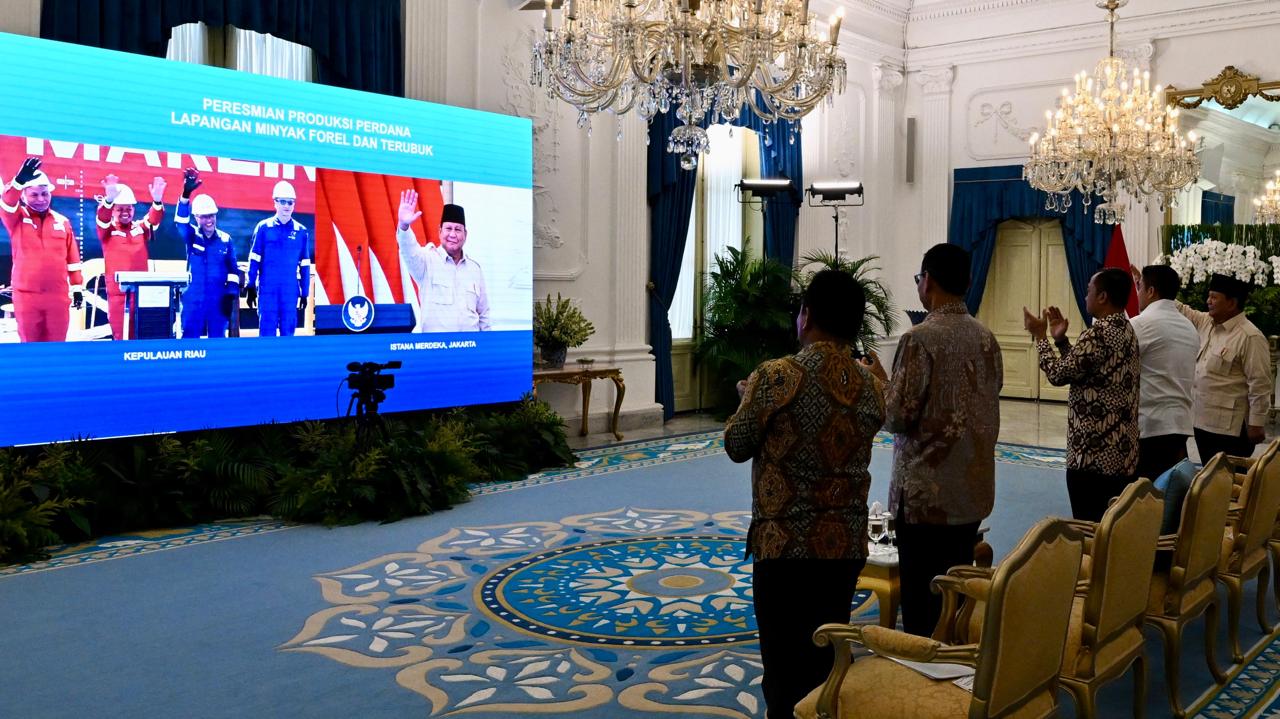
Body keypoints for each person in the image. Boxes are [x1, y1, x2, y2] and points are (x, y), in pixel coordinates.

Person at [724, 270, 885, 719]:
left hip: (785, 547)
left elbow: (737, 445)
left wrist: (746, 398)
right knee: (824, 661)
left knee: (782, 668)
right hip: (844, 545)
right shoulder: (872, 386)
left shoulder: (776, 377)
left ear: (807, 315)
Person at [860, 244, 1002, 637]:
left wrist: (876, 383)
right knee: (955, 584)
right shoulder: (987, 338)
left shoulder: (920, 339)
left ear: (928, 282)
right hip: (971, 488)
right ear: (968, 282)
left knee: (923, 600)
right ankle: (955, 651)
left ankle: (924, 662)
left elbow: (896, 416)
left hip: (927, 496)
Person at [1023, 268, 1139, 522]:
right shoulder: (1126, 329)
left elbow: (1057, 374)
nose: (1085, 296)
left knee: (1089, 528)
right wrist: (1061, 342)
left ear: (1103, 297)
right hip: (1121, 452)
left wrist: (1040, 337)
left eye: (1089, 291)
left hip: (1093, 456)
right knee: (1112, 529)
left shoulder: (1098, 333)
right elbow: (1085, 370)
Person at [1175, 272, 1272, 462]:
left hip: (1229, 429)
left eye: (1214, 297)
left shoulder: (1250, 336)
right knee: (1211, 475)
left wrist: (1257, 423)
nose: (1208, 301)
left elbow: (1259, 383)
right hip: (1202, 422)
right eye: (1208, 296)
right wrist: (1144, 283)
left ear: (1231, 303)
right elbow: (1180, 309)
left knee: (1229, 477)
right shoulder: (1206, 322)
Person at [1127, 264, 1199, 480]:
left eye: (1140, 287)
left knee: (1144, 493)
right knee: (1169, 489)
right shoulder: (1189, 327)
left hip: (1150, 424)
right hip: (1180, 423)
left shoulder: (1141, 324)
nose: (1137, 294)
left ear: (1151, 291)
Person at [0, 157, 83, 342]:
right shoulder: (16, 218)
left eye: (45, 194)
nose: (41, 199)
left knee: (57, 346)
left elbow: (73, 259)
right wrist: (18, 182)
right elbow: (6, 204)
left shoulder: (62, 221)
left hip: (58, 296)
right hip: (26, 297)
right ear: (23, 196)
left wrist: (77, 287)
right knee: (30, 346)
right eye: (34, 195)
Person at [395, 189, 490, 332]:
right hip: (437, 344)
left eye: (458, 229)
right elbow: (409, 250)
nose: (453, 234)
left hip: (471, 344)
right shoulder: (426, 260)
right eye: (448, 228)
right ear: (440, 231)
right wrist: (404, 225)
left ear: (465, 234)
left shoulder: (475, 269)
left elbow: (484, 314)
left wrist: (487, 342)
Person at [173, 168, 241, 338]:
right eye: (204, 217)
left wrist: (231, 295)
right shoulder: (191, 236)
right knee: (190, 341)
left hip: (218, 300)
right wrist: (185, 195)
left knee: (217, 343)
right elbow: (180, 223)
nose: (209, 220)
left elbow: (233, 271)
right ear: (196, 217)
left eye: (211, 216)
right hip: (193, 300)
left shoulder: (226, 240)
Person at [96, 174, 166, 340]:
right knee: (121, 337)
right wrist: (108, 200)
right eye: (120, 209)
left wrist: (157, 201)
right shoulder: (107, 230)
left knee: (142, 335)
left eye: (129, 209)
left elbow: (154, 220)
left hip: (142, 293)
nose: (125, 213)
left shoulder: (140, 228)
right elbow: (102, 218)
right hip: (118, 295)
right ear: (113, 210)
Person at [246, 181, 312, 336]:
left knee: (288, 334)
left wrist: (305, 292)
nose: (286, 206)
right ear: (275, 202)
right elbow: (254, 259)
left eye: (290, 202)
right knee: (266, 333)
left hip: (289, 291)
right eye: (282, 201)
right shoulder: (263, 228)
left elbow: (305, 265)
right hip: (267, 290)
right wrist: (250, 285)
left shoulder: (301, 232)